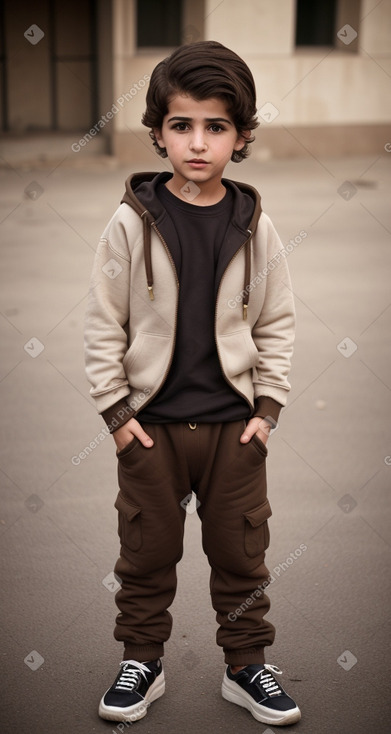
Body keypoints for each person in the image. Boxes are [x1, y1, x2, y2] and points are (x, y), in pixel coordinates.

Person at [84, 40, 300, 727]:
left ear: (240, 137)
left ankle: (246, 668)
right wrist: (117, 415)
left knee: (241, 554)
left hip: (235, 430)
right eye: (182, 125)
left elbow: (277, 321)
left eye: (216, 127)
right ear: (157, 131)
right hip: (150, 428)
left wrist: (266, 408)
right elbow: (101, 325)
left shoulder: (253, 223)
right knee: (146, 551)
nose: (197, 143)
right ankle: (140, 662)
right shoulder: (130, 221)